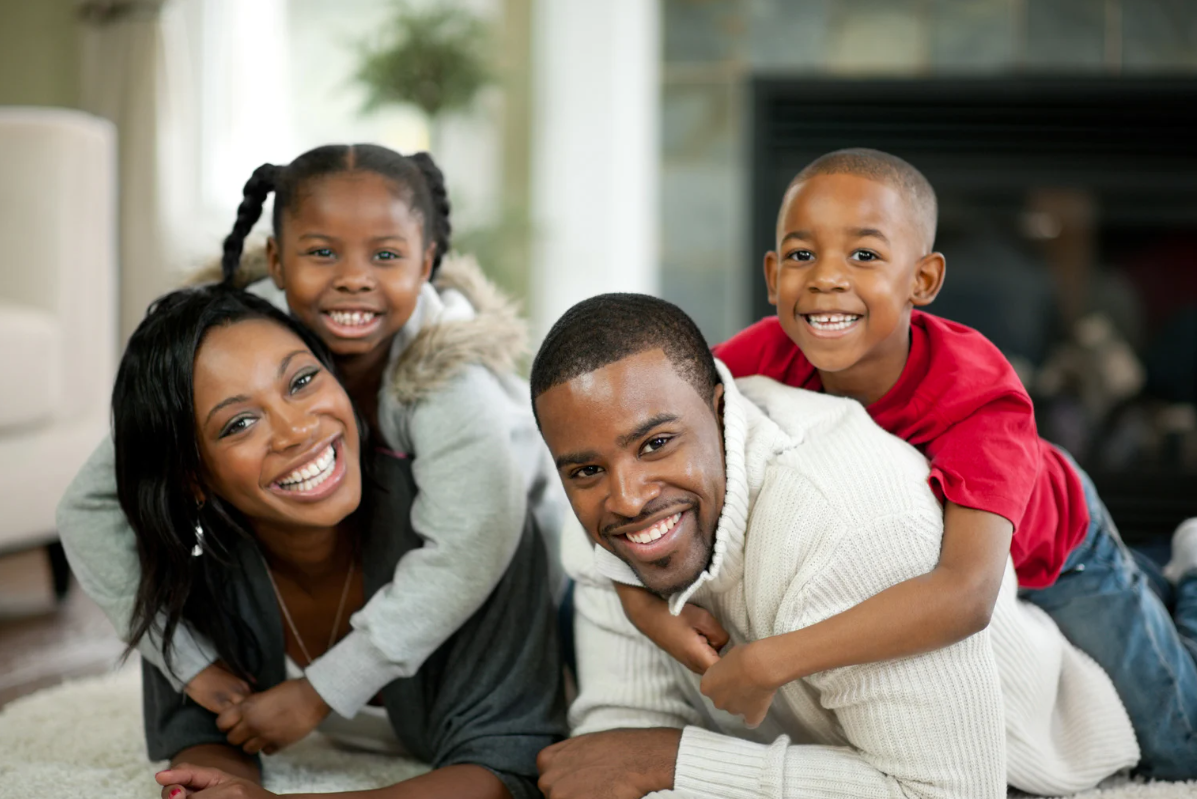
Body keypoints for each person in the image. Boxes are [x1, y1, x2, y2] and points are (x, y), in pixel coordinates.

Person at [610, 148, 1197, 778]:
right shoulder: (761, 355)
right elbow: (626, 443)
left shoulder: (980, 396)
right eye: (803, 255)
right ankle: (1162, 573)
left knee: (1177, 740)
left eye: (864, 255)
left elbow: (966, 595)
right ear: (773, 272)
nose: (827, 278)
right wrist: (647, 611)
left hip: (1062, 554)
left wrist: (767, 662)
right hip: (975, 543)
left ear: (923, 280)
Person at [56, 144, 566, 754]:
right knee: (184, 514)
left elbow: (473, 547)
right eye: (322, 252)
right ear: (275, 258)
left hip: (520, 558)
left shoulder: (449, 379)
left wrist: (323, 689)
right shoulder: (236, 343)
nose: (353, 277)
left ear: (427, 262)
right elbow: (91, 505)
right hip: (385, 539)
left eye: (386, 254)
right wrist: (187, 661)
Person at [531, 293, 1137, 799]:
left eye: (657, 444)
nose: (629, 498)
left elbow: (947, 791)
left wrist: (669, 761)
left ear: (719, 410)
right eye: (585, 472)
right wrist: (643, 757)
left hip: (1035, 751)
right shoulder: (603, 523)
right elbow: (614, 750)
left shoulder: (846, 520)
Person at [113, 285, 564, 799]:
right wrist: (217, 789)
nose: (296, 430)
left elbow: (507, 771)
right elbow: (201, 738)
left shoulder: (469, 522)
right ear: (194, 477)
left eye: (302, 380)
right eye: (240, 423)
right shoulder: (189, 556)